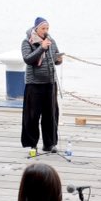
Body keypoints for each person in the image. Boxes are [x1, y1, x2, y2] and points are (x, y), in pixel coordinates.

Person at [21, 16, 65, 157]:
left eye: (47, 28)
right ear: (36, 29)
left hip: (50, 83)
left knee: (51, 114)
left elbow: (55, 59)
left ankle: (49, 143)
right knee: (33, 116)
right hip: (34, 84)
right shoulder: (27, 42)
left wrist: (59, 59)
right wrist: (41, 48)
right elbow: (28, 59)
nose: (45, 31)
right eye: (43, 28)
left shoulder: (51, 41)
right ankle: (32, 145)